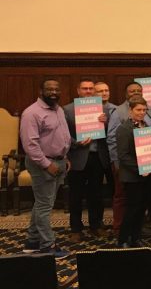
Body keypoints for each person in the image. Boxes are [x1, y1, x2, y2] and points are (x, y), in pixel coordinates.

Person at [20, 79, 72, 258]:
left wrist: (64, 157)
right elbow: (30, 145)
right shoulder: (31, 113)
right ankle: (47, 245)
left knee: (42, 203)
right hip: (43, 164)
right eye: (49, 89)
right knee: (45, 206)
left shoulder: (58, 109)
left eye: (57, 89)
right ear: (41, 90)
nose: (54, 92)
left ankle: (32, 241)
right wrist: (46, 164)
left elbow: (61, 136)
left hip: (58, 161)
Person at [63, 79, 110, 243]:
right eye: (85, 89)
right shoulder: (67, 110)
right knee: (75, 195)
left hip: (98, 157)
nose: (88, 91)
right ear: (78, 91)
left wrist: (105, 123)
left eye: (91, 89)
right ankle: (76, 229)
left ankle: (96, 225)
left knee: (96, 194)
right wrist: (76, 143)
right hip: (77, 157)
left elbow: (110, 133)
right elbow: (62, 134)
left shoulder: (103, 110)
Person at [116, 96, 151, 248]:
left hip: (147, 175)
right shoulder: (124, 129)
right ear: (130, 110)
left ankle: (136, 237)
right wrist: (140, 169)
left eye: (144, 110)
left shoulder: (146, 126)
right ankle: (123, 239)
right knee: (132, 209)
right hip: (132, 176)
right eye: (138, 109)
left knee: (141, 208)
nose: (141, 112)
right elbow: (123, 156)